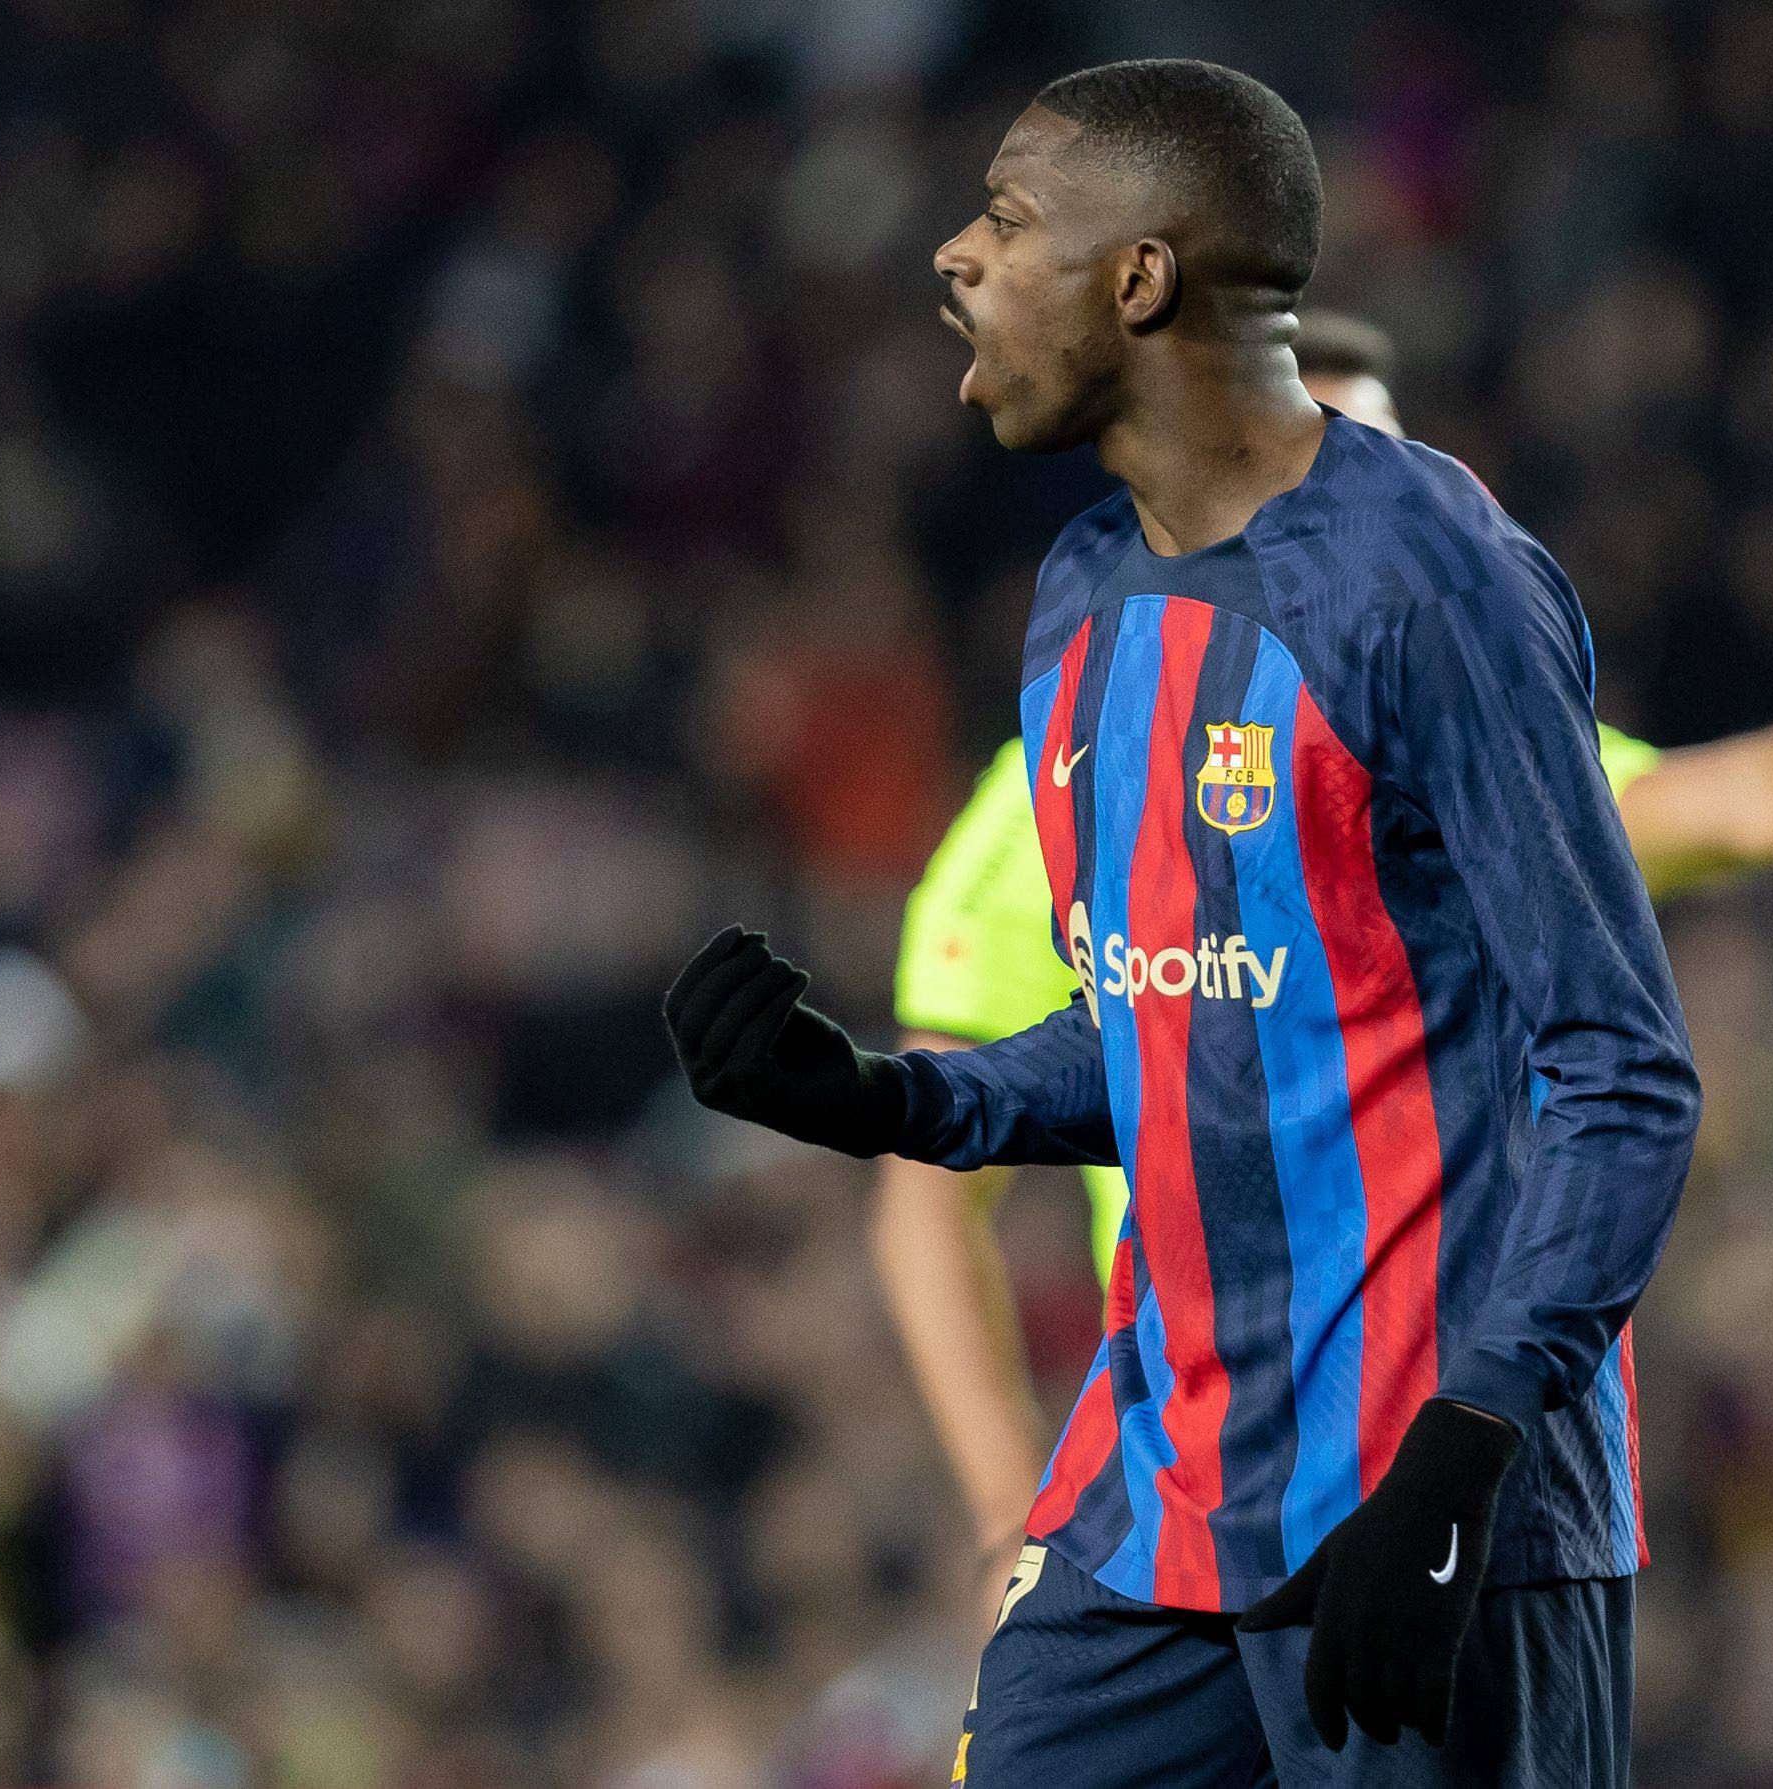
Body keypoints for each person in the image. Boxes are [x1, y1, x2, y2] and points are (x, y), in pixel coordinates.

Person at [669, 58, 1695, 1783]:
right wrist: (889, 1100)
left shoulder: (1427, 580)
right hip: (1164, 1506)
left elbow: (1622, 1067)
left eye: (1007, 216)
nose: (954, 255)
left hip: (1434, 1513)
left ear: (1140, 278)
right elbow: (1163, 1018)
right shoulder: (1085, 594)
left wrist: (1468, 1448)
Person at [874, 307, 1773, 1633]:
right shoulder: (1063, 781)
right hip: (1194, 1471)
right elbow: (930, 1189)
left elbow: (1713, 807)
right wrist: (997, 1508)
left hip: (1445, 1451)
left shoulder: (1453, 736)